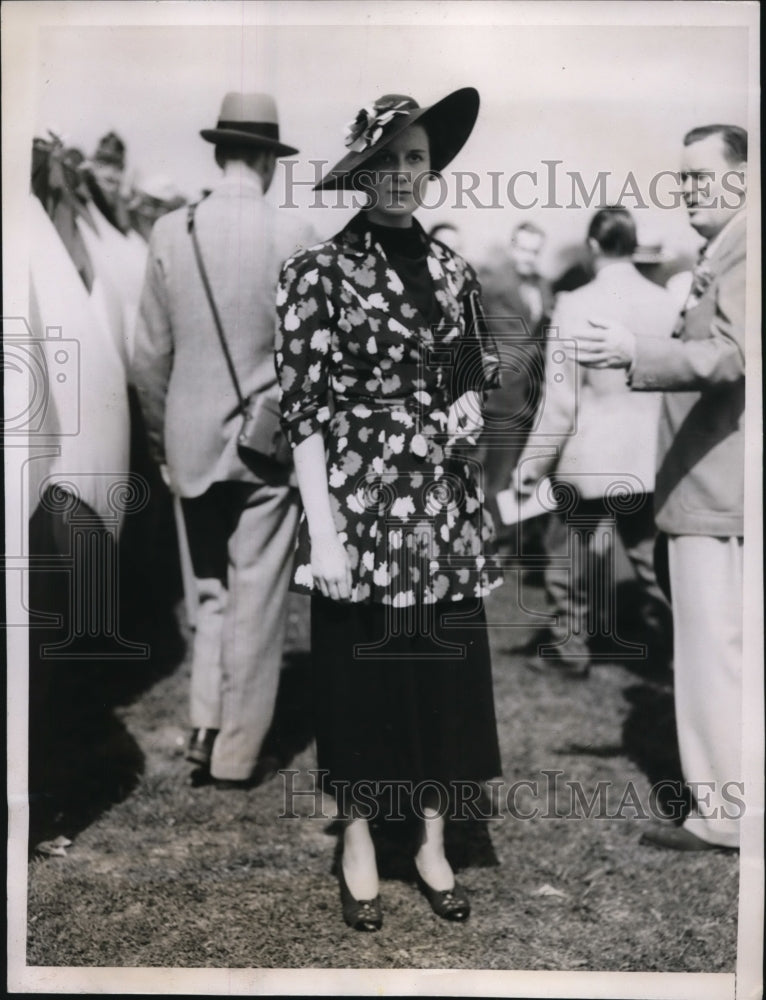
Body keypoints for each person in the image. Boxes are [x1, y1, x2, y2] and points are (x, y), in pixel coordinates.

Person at [275, 88, 503, 930]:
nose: (404, 175)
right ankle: (361, 840)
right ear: (361, 171)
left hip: (440, 512)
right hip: (358, 512)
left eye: (416, 159)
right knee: (361, 682)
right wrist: (324, 540)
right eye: (389, 160)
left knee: (441, 681)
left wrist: (466, 408)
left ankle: (434, 841)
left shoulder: (452, 270)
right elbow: (302, 418)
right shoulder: (315, 275)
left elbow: (466, 380)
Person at [131, 92, 315, 786]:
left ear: (218, 153)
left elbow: (148, 356)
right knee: (257, 597)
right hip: (266, 446)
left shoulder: (169, 232)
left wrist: (161, 439)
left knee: (206, 590)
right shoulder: (295, 236)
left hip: (187, 437)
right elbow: (311, 356)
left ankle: (204, 729)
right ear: (269, 160)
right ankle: (239, 753)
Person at [573, 125, 747, 851]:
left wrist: (633, 352)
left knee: (714, 656)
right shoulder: (730, 248)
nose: (687, 194)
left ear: (745, 177)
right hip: (716, 485)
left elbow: (732, 355)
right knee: (722, 651)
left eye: (702, 179)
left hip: (715, 489)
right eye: (682, 181)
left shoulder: (743, 247)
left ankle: (724, 815)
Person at [511, 207, 678, 677]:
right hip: (650, 455)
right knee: (652, 560)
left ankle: (572, 650)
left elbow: (560, 402)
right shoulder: (665, 302)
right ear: (633, 245)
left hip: (591, 459)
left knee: (571, 562)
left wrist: (532, 463)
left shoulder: (575, 303)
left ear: (593, 247)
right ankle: (683, 648)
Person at [476, 221, 553, 547]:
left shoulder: (544, 285)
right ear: (511, 246)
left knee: (521, 470)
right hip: (502, 392)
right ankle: (492, 543)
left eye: (534, 251)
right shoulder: (492, 282)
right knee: (499, 472)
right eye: (522, 248)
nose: (528, 257)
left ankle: (510, 540)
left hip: (531, 393)